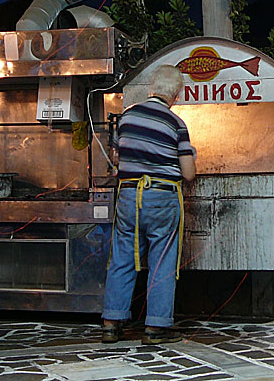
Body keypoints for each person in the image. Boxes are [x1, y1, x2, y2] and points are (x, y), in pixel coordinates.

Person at [102, 65, 196, 345]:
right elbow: (189, 173)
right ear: (176, 95)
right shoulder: (176, 123)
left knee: (122, 257)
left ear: (152, 88)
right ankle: (155, 327)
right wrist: (190, 153)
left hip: (129, 195)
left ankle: (111, 323)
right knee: (162, 259)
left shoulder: (128, 115)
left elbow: (117, 157)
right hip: (162, 197)